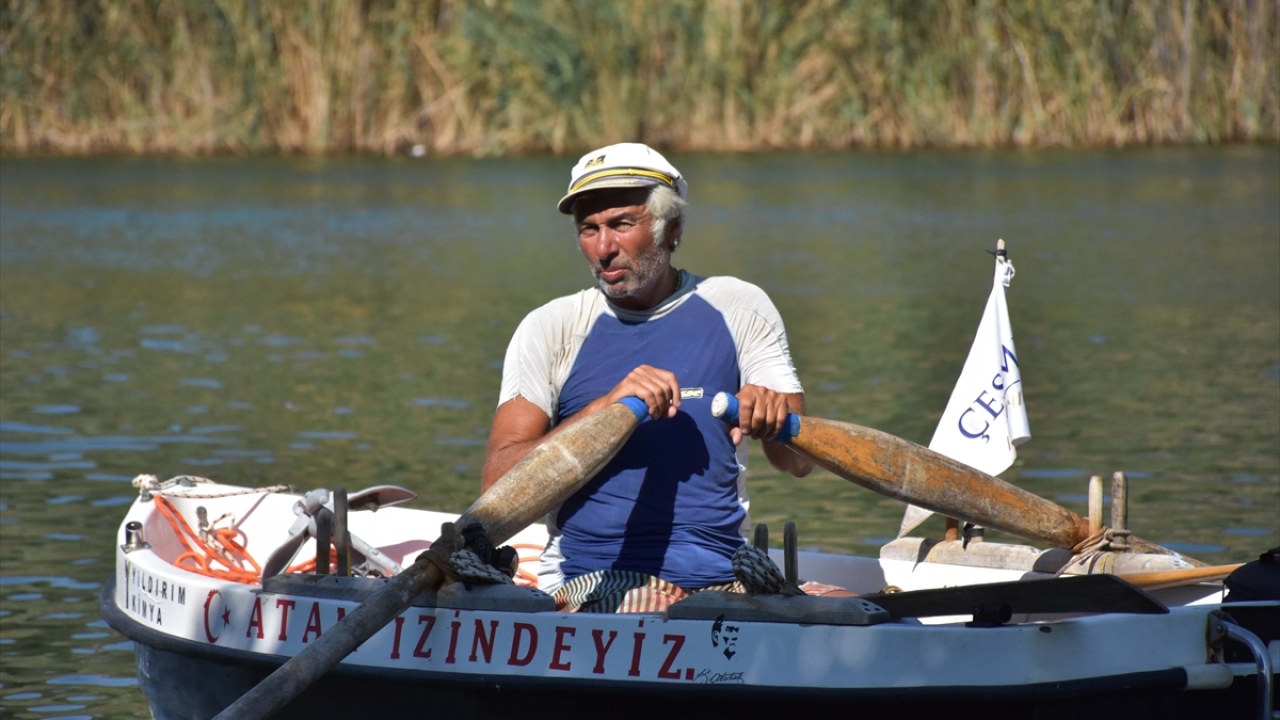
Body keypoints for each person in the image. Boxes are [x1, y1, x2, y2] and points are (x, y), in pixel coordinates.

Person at [481, 142, 812, 613]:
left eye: (621, 224)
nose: (603, 248)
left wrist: (774, 418)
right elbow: (496, 493)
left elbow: (799, 463)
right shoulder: (550, 328)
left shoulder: (739, 307)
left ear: (671, 228)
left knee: (851, 610)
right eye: (588, 229)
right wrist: (604, 412)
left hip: (725, 577)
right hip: (591, 579)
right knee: (658, 608)